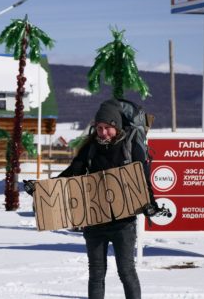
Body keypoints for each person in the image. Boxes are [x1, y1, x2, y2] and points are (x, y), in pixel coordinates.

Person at [55, 98, 158, 299]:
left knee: (126, 272)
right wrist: (45, 188)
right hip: (95, 220)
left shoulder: (130, 146)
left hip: (123, 222)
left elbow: (143, 179)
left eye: (108, 127)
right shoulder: (91, 147)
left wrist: (150, 203)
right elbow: (72, 172)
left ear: (117, 126)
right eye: (99, 128)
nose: (103, 132)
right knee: (96, 274)